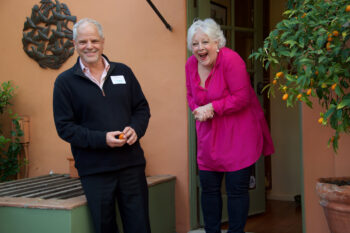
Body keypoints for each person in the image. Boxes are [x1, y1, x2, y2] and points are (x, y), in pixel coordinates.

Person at [53, 18, 151, 233]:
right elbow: (65, 127)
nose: (89, 46)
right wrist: (102, 139)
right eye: (83, 42)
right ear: (75, 45)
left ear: (103, 42)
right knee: (104, 228)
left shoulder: (123, 72)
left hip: (131, 166)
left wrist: (136, 128)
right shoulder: (64, 82)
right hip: (95, 170)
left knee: (140, 226)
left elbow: (141, 108)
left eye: (94, 40)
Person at [185, 18, 275, 233]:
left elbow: (242, 97)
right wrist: (197, 110)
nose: (200, 48)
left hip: (238, 133)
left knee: (236, 190)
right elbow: (190, 95)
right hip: (209, 135)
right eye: (195, 44)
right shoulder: (190, 65)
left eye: (205, 42)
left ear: (217, 42)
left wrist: (213, 107)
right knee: (208, 188)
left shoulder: (232, 60)